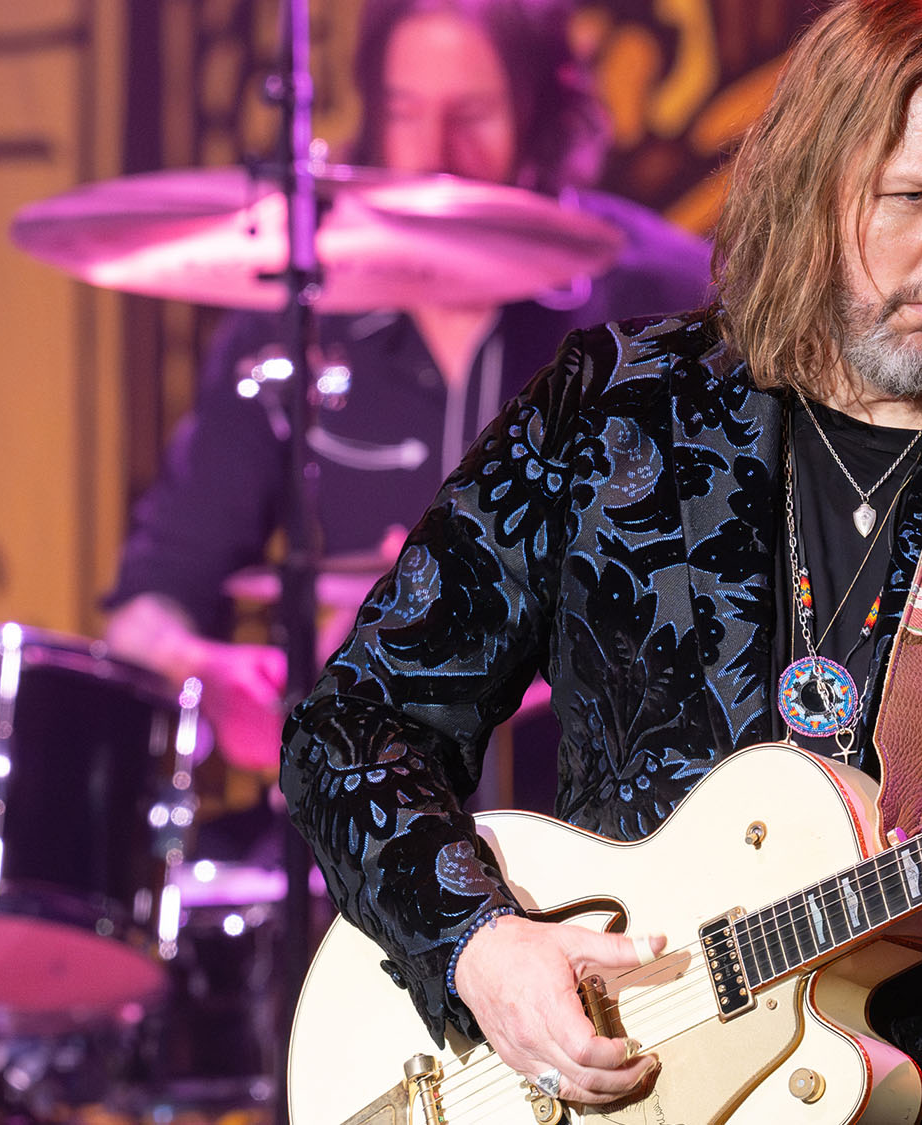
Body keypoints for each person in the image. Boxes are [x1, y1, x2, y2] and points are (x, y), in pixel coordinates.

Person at [282, 0, 922, 1121]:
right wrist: (480, 946)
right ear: (812, 183)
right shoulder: (617, 410)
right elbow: (353, 725)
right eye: (913, 198)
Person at [105, 0, 713, 775]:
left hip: (604, 807)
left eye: (473, 115)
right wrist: (200, 670)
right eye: (404, 112)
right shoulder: (295, 314)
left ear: (541, 111)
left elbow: (753, 581)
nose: (436, 154)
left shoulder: (664, 302)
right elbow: (147, 601)